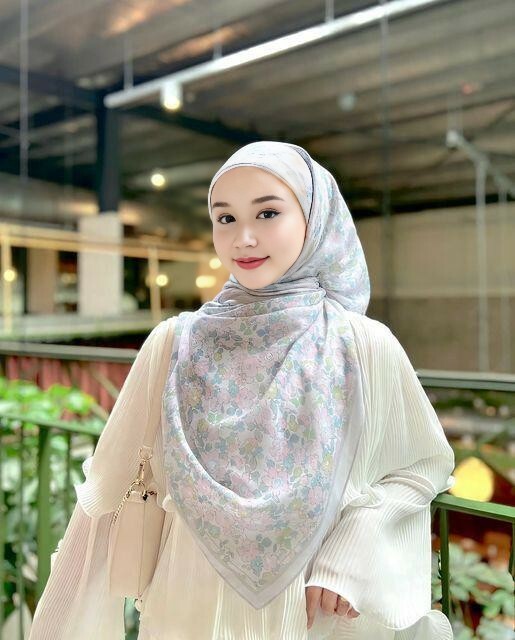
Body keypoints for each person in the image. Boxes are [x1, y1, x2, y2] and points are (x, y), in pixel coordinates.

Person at [28, 141, 455, 640]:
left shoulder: (361, 345)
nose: (243, 238)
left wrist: (351, 554)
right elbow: (105, 492)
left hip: (314, 608)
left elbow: (421, 465)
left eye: (268, 213)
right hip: (186, 602)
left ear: (314, 219)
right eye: (225, 218)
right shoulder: (174, 343)